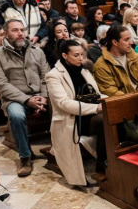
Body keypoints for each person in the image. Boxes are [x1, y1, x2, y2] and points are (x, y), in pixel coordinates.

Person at [0, 19, 50, 177]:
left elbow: (46, 76)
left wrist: (44, 96)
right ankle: (25, 156)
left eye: (22, 29)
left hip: (39, 95)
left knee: (63, 107)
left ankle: (61, 151)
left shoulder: (37, 51)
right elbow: (1, 85)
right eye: (15, 30)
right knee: (16, 115)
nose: (20, 33)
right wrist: (27, 100)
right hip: (14, 98)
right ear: (6, 34)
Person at [45, 39, 107, 186]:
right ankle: (102, 165)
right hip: (71, 119)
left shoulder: (84, 71)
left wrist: (110, 100)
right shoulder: (53, 75)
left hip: (89, 114)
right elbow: (64, 103)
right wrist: (94, 108)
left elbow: (96, 94)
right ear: (65, 56)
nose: (81, 58)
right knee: (103, 120)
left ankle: (114, 160)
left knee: (113, 115)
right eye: (76, 55)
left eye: (82, 55)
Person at [93, 24, 138, 96]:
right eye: (126, 39)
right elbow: (112, 92)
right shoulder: (101, 66)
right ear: (115, 42)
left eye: (130, 38)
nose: (131, 42)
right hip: (123, 104)